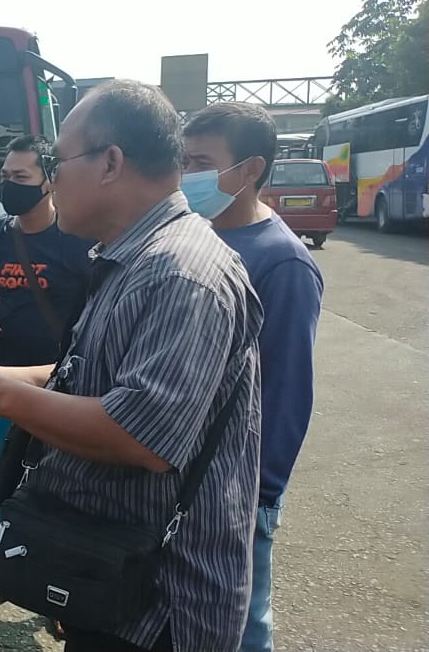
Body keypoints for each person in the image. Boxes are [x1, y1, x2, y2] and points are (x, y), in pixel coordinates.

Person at [0, 80, 263, 652]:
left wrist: (2, 399)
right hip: (107, 576)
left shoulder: (181, 273)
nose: (50, 179)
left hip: (156, 604)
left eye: (57, 161)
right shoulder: (131, 258)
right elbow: (84, 375)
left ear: (110, 163)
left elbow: (140, 433)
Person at [180, 102, 323, 652]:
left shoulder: (281, 263)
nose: (187, 173)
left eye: (201, 161)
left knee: (240, 624)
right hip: (178, 473)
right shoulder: (190, 234)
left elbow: (285, 393)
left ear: (250, 170)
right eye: (183, 159)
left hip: (239, 489)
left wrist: (258, 498)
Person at [0, 134, 94, 615]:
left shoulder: (78, 239)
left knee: (59, 494)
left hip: (60, 389)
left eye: (21, 177)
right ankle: (6, 576)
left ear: (49, 181)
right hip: (0, 384)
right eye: (5, 176)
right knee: (2, 490)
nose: (8, 185)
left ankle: (58, 596)